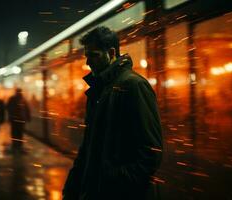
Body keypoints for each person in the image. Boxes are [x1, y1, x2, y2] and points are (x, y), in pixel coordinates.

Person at [62, 27, 163, 200]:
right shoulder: (99, 89)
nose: (88, 62)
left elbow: (150, 153)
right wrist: (73, 187)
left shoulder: (134, 86)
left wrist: (113, 182)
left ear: (111, 52)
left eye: (93, 55)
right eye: (87, 55)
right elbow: (89, 147)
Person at [7, 88, 31, 153]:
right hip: (20, 119)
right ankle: (19, 145)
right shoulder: (22, 99)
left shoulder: (12, 99)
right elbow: (27, 109)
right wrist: (28, 117)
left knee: (15, 132)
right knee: (19, 133)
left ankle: (15, 145)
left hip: (15, 119)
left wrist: (10, 116)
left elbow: (8, 108)